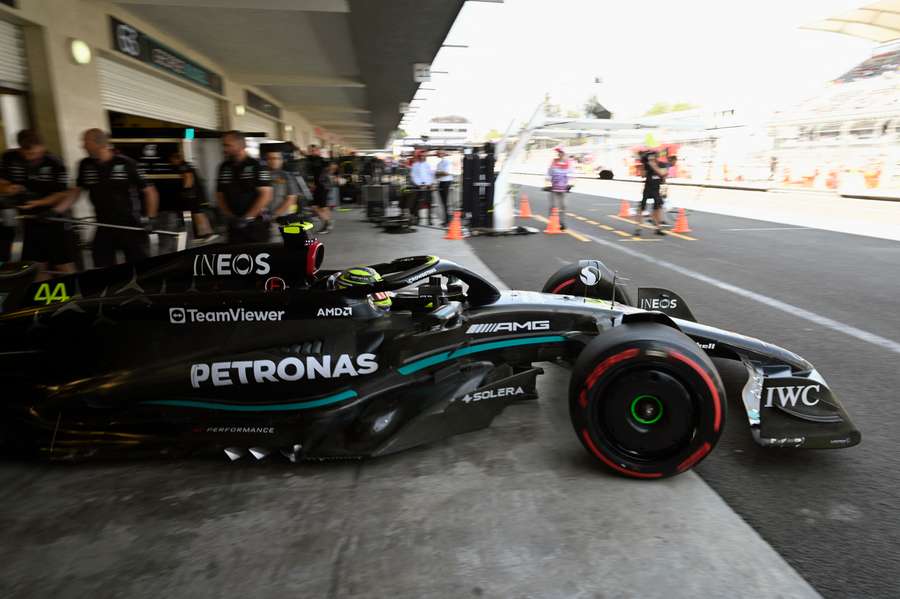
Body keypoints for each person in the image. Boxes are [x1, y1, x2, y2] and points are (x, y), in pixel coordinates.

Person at [76, 128, 158, 267]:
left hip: (130, 225)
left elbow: (150, 192)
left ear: (98, 144)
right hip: (103, 225)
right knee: (101, 265)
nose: (82, 146)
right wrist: (57, 209)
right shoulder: (85, 165)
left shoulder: (127, 163)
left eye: (86, 142)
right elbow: (75, 191)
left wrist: (151, 219)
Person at [0, 129, 76, 277]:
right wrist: (9, 188)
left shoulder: (54, 162)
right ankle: (47, 299)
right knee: (36, 265)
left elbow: (63, 193)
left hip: (51, 219)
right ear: (20, 148)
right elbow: (1, 183)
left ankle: (75, 297)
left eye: (34, 153)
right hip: (25, 222)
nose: (30, 157)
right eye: (27, 154)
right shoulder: (9, 157)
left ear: (41, 146)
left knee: (62, 263)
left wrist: (39, 203)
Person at [215, 130, 273, 244]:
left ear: (241, 145)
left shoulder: (257, 165)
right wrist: (229, 215)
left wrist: (247, 218)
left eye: (228, 145)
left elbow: (266, 195)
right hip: (233, 224)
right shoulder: (224, 166)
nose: (224, 149)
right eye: (223, 145)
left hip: (256, 224)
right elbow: (219, 194)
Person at [635, 148, 667, 236]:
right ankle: (638, 228)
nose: (652, 159)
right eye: (651, 157)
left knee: (657, 208)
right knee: (641, 207)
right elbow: (643, 175)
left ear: (657, 157)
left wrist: (652, 164)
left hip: (657, 189)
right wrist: (642, 166)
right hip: (648, 188)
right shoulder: (647, 165)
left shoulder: (662, 165)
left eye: (653, 157)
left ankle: (658, 228)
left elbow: (662, 174)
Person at [265, 150, 299, 219]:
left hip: (283, 217)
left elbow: (292, 199)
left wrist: (273, 216)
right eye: (270, 158)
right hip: (266, 216)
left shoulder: (288, 176)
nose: (274, 161)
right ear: (267, 161)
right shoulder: (264, 175)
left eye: (277, 158)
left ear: (281, 160)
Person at [547, 147, 570, 230]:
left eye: (562, 153)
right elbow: (549, 173)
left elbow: (570, 174)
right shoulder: (554, 162)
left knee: (563, 206)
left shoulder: (567, 163)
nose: (560, 155)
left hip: (563, 188)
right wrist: (548, 181)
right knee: (554, 206)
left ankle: (562, 222)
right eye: (559, 153)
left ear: (564, 155)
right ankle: (552, 221)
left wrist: (570, 183)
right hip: (554, 187)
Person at [410, 151, 435, 225]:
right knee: (418, 203)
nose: (422, 157)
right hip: (418, 186)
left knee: (429, 203)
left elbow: (430, 175)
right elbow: (413, 176)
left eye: (424, 156)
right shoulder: (415, 165)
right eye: (421, 156)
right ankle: (417, 219)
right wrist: (420, 184)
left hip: (428, 186)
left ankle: (430, 219)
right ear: (418, 157)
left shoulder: (428, 165)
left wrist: (430, 184)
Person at [315, 162, 338, 233]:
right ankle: (328, 223)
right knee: (322, 207)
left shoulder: (326, 171)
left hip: (322, 190)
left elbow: (322, 181)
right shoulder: (328, 172)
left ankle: (327, 224)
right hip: (323, 190)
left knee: (318, 207)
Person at [435, 150, 453, 226]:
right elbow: (437, 174)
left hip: (446, 182)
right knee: (443, 202)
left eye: (440, 153)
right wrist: (440, 173)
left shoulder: (447, 162)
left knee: (445, 202)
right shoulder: (439, 163)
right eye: (438, 153)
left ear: (444, 154)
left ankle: (448, 220)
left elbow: (446, 173)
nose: (439, 154)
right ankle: (446, 220)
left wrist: (440, 173)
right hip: (441, 182)